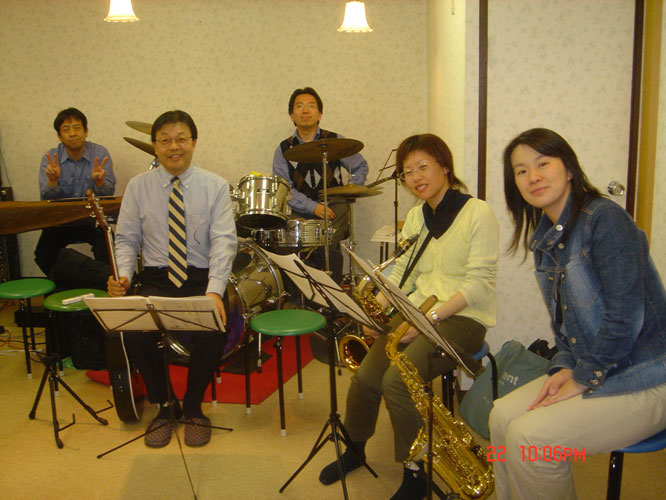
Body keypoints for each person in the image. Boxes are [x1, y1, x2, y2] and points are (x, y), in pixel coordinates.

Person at [489, 128, 666, 500]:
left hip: (647, 375)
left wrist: (584, 376)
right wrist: (564, 366)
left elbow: (626, 317)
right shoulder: (545, 236)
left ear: (569, 168)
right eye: (521, 171)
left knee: (530, 439)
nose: (533, 176)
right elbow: (566, 326)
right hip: (599, 367)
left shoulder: (606, 219)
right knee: (501, 416)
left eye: (543, 163)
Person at [319, 134, 499, 500]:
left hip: (463, 318)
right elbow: (404, 270)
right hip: (417, 312)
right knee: (365, 377)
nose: (415, 177)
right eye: (407, 172)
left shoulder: (477, 212)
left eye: (423, 167)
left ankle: (415, 470)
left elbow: (478, 285)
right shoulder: (418, 216)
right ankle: (355, 448)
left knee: (398, 382)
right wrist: (375, 307)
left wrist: (425, 321)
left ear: (444, 166)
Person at [107, 110, 237, 448]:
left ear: (194, 143)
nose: (173, 147)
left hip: (200, 276)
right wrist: (124, 276)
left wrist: (215, 291)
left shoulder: (215, 186)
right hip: (157, 276)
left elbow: (224, 242)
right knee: (134, 328)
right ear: (155, 146)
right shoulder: (138, 187)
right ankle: (165, 405)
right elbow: (126, 239)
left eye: (181, 139)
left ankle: (193, 407)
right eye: (165, 140)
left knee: (216, 324)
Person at [272, 87, 369, 283]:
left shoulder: (335, 141)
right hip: (300, 210)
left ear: (320, 114)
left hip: (334, 207)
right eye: (299, 106)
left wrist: (349, 192)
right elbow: (285, 189)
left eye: (311, 106)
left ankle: (333, 292)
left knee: (328, 243)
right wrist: (313, 207)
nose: (305, 111)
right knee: (287, 242)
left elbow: (360, 166)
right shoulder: (283, 149)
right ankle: (300, 293)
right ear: (291, 115)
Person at [36, 107, 115, 276]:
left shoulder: (99, 153)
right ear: (59, 136)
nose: (72, 133)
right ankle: (88, 279)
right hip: (61, 220)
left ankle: (102, 284)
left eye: (77, 128)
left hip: (92, 219)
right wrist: (52, 182)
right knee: (42, 255)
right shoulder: (51, 157)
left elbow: (109, 193)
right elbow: (45, 198)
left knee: (109, 252)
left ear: (86, 131)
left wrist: (100, 183)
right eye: (66, 129)